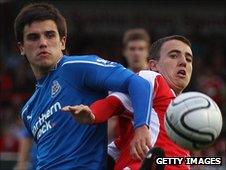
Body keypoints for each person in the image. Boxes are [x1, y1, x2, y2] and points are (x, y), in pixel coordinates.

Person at [14, 3, 153, 169]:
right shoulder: (28, 111)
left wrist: (141, 128)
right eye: (33, 37)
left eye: (50, 35)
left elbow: (138, 83)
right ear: (21, 48)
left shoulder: (77, 68)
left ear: (63, 42)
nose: (43, 43)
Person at [63, 35, 193, 170]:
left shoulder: (181, 112)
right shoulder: (151, 79)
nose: (183, 62)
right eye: (173, 56)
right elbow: (114, 102)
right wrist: (93, 114)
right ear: (153, 66)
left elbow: (119, 148)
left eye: (188, 59)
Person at [108, 28, 151, 143]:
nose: (136, 53)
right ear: (124, 51)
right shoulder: (115, 82)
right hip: (126, 144)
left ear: (147, 52)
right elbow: (112, 120)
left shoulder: (159, 77)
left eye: (141, 49)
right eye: (132, 49)